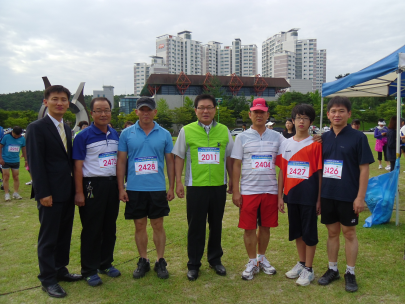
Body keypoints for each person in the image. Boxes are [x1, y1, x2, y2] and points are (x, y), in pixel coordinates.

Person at [26, 85, 82, 299]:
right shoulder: (36, 128)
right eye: (55, 99)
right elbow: (36, 163)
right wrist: (43, 192)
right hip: (49, 193)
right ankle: (48, 278)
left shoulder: (66, 128)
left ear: (69, 104)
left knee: (64, 234)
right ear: (45, 102)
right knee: (49, 237)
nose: (60, 103)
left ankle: (60, 269)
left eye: (64, 100)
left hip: (66, 191)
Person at [172, 94, 233, 281]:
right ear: (196, 110)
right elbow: (179, 156)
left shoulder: (224, 131)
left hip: (218, 186)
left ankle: (215, 260)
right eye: (201, 107)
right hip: (196, 186)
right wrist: (179, 182)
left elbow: (229, 157)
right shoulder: (186, 130)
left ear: (215, 109)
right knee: (195, 226)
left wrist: (232, 180)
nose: (205, 111)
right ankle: (193, 264)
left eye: (209, 107)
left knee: (216, 225)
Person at [317, 96, 374, 292]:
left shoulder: (358, 137)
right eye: (333, 111)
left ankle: (350, 272)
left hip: (348, 195)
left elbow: (364, 169)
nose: (337, 114)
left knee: (349, 233)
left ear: (349, 114)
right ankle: (332, 269)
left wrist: (360, 197)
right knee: (332, 233)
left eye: (341, 111)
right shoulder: (323, 138)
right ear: (328, 115)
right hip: (328, 194)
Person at [117, 97, 174, 280]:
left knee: (158, 224)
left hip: (157, 188)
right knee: (139, 225)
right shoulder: (126, 134)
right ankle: (143, 260)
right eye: (142, 110)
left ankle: (160, 260)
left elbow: (170, 162)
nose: (145, 113)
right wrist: (121, 187)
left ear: (155, 112)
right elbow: (121, 161)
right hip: (134, 188)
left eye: (149, 110)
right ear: (136, 112)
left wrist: (171, 186)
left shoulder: (164, 134)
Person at [231, 98, 283, 280]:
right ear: (250, 114)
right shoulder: (242, 137)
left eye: (262, 112)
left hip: (270, 190)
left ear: (267, 115)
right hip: (248, 190)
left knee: (266, 226)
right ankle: (252, 261)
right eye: (256, 112)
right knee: (249, 228)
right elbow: (236, 164)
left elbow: (292, 151)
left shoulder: (277, 137)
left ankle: (261, 257)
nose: (259, 115)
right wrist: (236, 190)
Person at [72, 97, 121, 287]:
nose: (103, 114)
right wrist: (79, 192)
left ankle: (105, 263)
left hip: (111, 185)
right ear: (91, 113)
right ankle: (89, 270)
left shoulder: (115, 134)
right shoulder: (83, 136)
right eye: (99, 110)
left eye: (106, 110)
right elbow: (77, 167)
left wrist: (119, 187)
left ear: (110, 112)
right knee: (92, 229)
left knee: (110, 227)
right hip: (91, 185)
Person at [276, 104, 322, 286]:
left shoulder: (316, 144)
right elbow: (282, 171)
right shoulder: (285, 143)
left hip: (309, 196)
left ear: (310, 122)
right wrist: (280, 196)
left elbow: (319, 173)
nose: (301, 121)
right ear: (292, 120)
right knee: (297, 231)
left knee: (309, 232)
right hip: (291, 195)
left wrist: (319, 199)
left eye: (305, 118)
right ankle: (302, 263)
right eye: (298, 117)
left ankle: (309, 269)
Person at [0, 126, 27, 201]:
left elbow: (24, 149)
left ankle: (15, 193)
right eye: (15, 135)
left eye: (18, 135)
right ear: (12, 132)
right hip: (5, 160)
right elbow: (0, 147)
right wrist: (0, 158)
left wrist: (26, 159)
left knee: (16, 177)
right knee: (6, 177)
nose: (16, 137)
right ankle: (6, 194)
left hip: (15, 160)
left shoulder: (22, 139)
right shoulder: (6, 137)